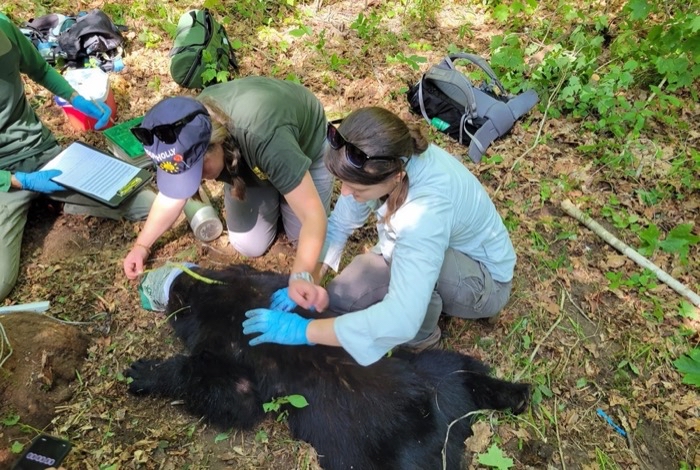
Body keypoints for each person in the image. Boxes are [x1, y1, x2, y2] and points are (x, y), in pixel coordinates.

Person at [241, 106, 517, 366]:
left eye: (353, 188)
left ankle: (422, 342)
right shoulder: (380, 158)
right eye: (343, 184)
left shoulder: (424, 213)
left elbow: (401, 318)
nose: (345, 194)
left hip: (484, 281)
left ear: (394, 177)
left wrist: (306, 331)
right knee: (340, 299)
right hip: (421, 250)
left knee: (404, 293)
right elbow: (339, 225)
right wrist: (309, 278)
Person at [123, 77, 333, 310]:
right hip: (254, 158)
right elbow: (172, 197)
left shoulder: (264, 137)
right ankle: (279, 185)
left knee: (304, 240)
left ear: (218, 143)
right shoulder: (183, 132)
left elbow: (314, 217)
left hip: (304, 148)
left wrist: (300, 278)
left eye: (198, 171)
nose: (198, 179)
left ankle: (286, 184)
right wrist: (141, 246)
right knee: (248, 244)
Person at [0, 13, 154, 302]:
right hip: (4, 180)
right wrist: (18, 181)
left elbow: (41, 71)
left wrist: (77, 99)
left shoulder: (4, 27)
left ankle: (66, 203)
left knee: (144, 202)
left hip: (43, 153)